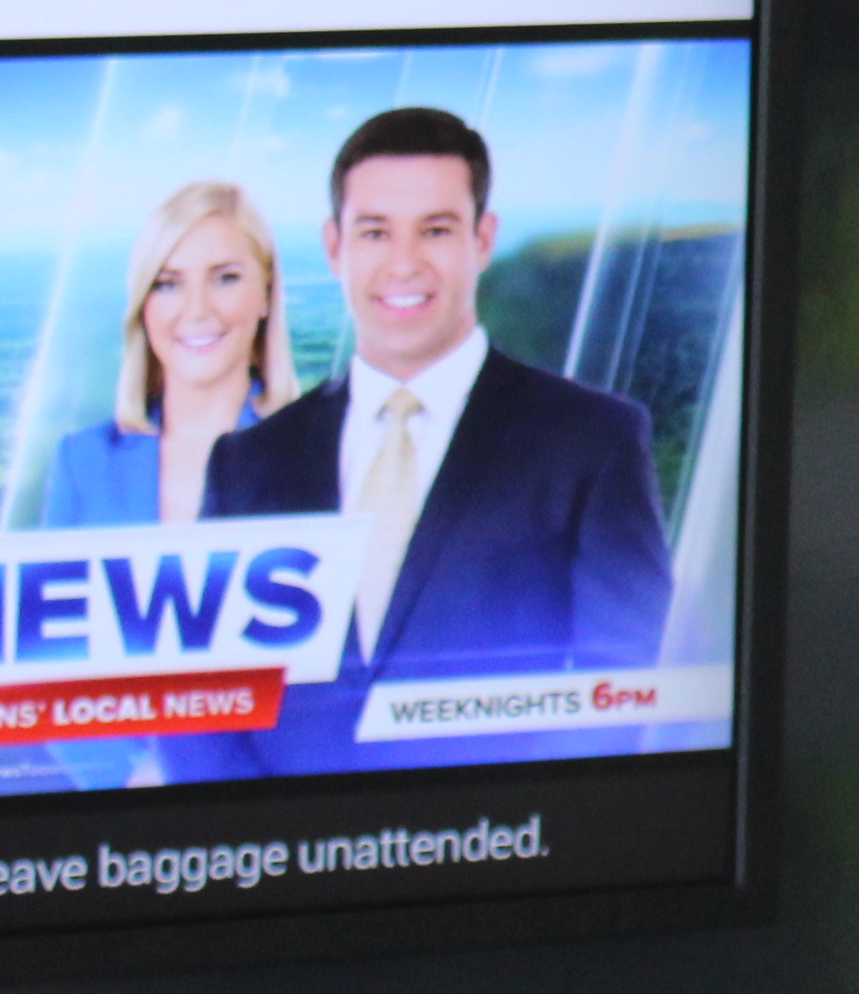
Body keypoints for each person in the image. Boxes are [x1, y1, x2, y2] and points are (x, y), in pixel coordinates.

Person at [205, 104, 673, 711]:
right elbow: (212, 704)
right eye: (375, 232)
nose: (404, 263)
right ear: (334, 246)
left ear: (482, 240)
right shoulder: (245, 466)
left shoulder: (593, 441)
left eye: (435, 230)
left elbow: (622, 689)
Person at [44, 180, 299, 528]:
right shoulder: (83, 463)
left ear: (266, 293)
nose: (196, 310)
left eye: (225, 278)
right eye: (168, 284)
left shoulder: (318, 453)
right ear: (143, 305)